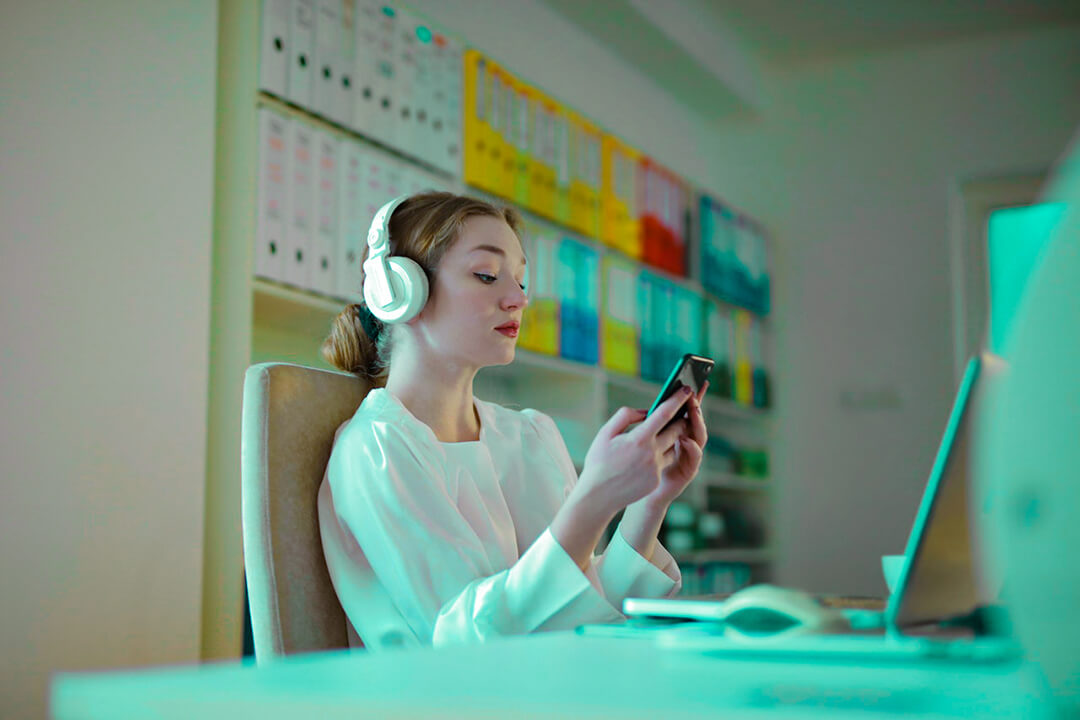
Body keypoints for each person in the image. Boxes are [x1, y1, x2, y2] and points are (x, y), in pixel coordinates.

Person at [317, 191, 709, 650]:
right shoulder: (377, 449)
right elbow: (465, 646)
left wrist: (651, 500)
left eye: (520, 281)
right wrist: (595, 497)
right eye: (487, 275)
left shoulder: (530, 435)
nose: (517, 299)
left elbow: (585, 613)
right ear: (399, 292)